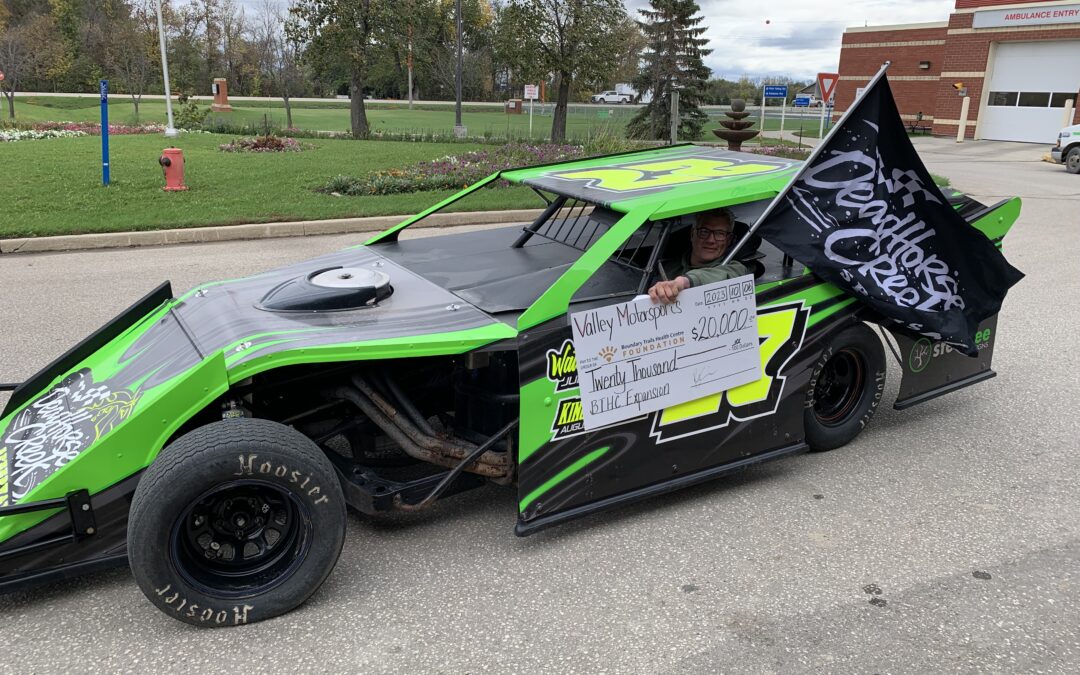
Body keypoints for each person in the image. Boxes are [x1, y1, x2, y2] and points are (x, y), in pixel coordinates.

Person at [648, 208, 748, 304]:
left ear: (729, 240)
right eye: (704, 232)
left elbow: (724, 276)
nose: (711, 240)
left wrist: (683, 282)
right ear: (692, 234)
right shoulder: (668, 268)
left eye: (720, 234)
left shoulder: (736, 269)